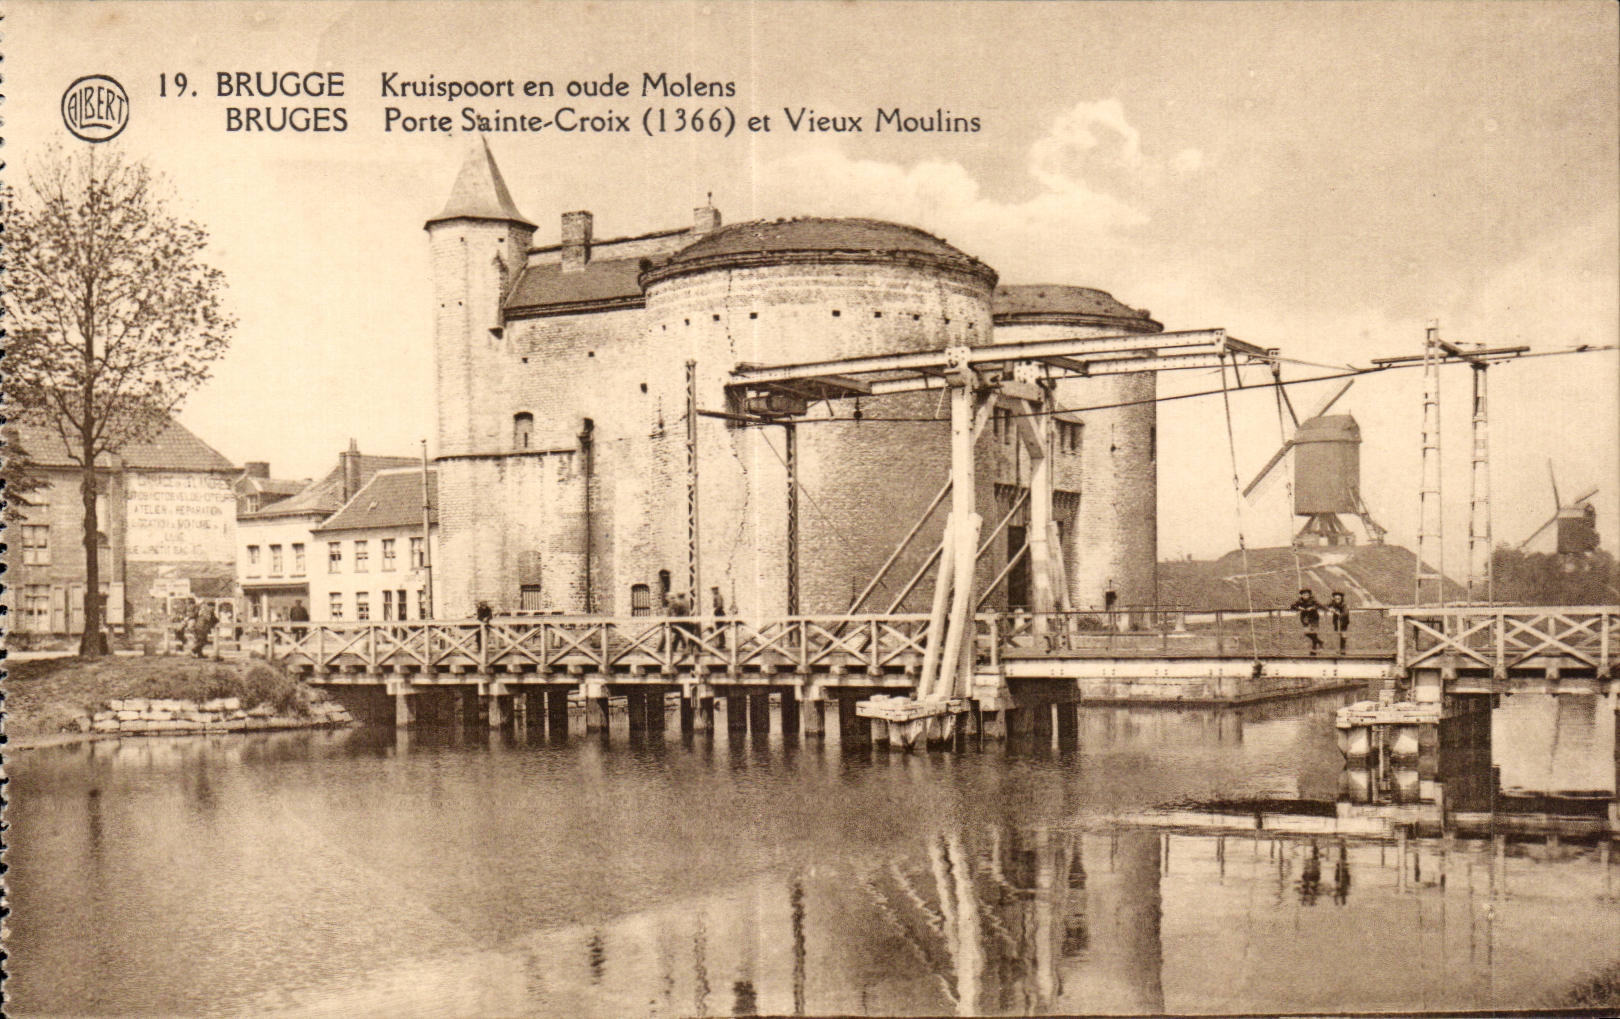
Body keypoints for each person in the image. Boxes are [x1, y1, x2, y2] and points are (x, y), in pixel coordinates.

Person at [1290, 588, 1323, 655]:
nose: (1305, 596)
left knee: (1314, 633)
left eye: (1307, 594)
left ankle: (1314, 650)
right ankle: (1320, 642)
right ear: (1301, 595)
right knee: (1306, 632)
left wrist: (1312, 608)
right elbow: (1292, 606)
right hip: (1305, 618)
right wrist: (1298, 608)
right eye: (1304, 594)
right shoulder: (1299, 601)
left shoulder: (1313, 600)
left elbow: (1320, 605)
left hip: (1314, 618)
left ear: (1309, 595)